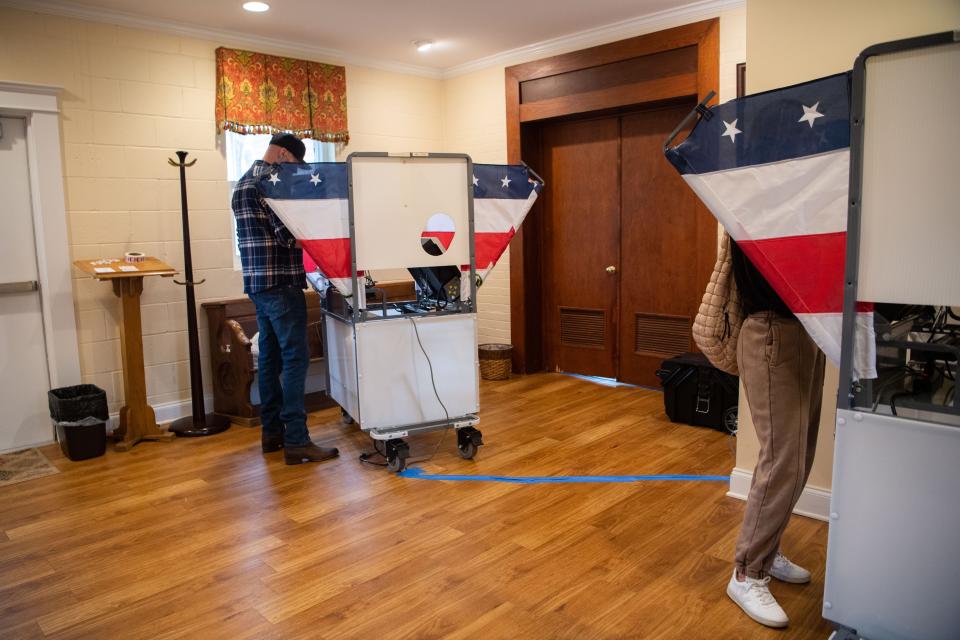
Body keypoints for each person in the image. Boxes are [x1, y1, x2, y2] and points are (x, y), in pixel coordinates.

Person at [725, 241, 825, 628]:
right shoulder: (760, 195)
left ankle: (768, 550)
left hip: (803, 332)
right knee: (782, 459)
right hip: (772, 328)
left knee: (799, 457)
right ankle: (747, 572)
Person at [231, 133, 339, 465]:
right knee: (296, 360)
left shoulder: (243, 182)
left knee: (271, 360)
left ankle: (272, 434)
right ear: (282, 154)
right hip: (280, 283)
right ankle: (297, 440)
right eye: (293, 165)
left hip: (257, 284)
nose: (294, 173)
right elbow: (285, 236)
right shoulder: (269, 183)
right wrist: (317, 233)